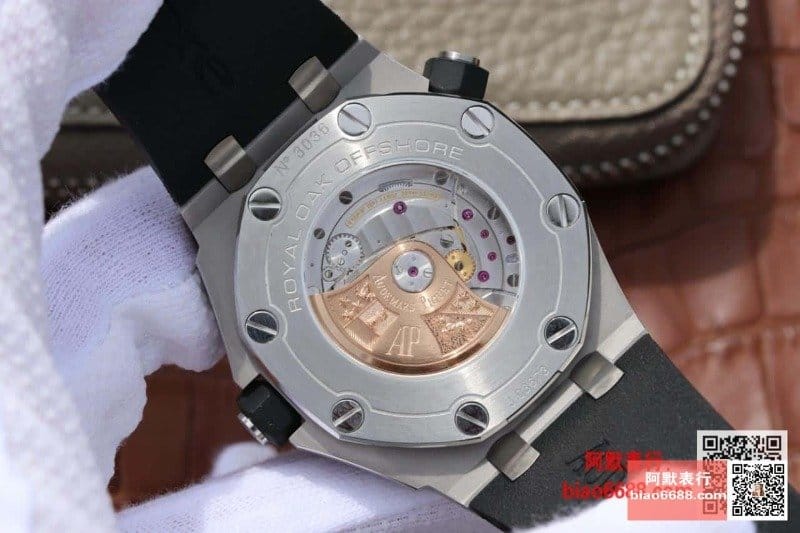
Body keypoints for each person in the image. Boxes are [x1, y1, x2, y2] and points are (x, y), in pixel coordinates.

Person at [0, 1, 754, 531]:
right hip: (469, 390)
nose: (413, 268)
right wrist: (748, 512)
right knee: (745, 497)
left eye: (428, 265)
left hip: (554, 353)